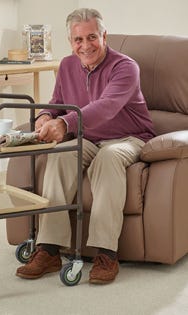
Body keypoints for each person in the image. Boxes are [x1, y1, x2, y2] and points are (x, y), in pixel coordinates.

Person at [16, 8, 155, 284]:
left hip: (128, 138)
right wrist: (44, 115)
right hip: (87, 137)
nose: (85, 45)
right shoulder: (67, 65)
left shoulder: (125, 67)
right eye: (78, 40)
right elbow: (57, 101)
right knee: (59, 156)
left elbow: (106, 107)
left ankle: (106, 253)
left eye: (92, 37)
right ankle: (50, 249)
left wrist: (65, 124)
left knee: (108, 158)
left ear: (104, 36)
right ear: (71, 42)